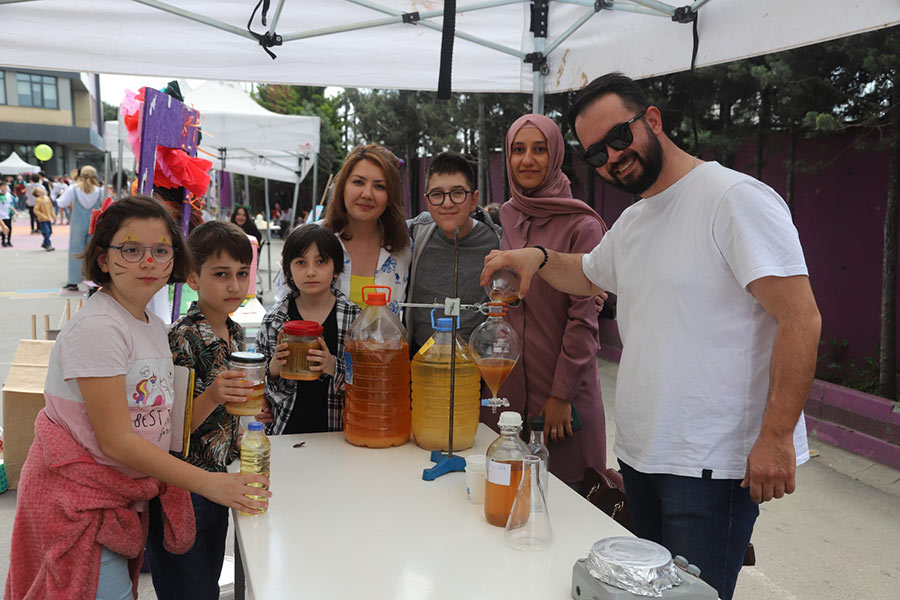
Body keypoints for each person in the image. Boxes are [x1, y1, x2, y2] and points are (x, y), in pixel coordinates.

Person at [481, 73, 822, 600]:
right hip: (642, 459)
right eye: (596, 154)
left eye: (619, 138)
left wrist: (776, 438)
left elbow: (801, 319)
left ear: (653, 120)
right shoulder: (636, 220)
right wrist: (539, 259)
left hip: (711, 469)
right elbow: (590, 273)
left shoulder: (733, 198)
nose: (612, 158)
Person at [6, 196, 269, 600]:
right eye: (131, 249)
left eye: (161, 250)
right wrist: (213, 485)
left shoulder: (149, 324)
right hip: (79, 504)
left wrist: (217, 398)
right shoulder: (100, 327)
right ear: (104, 259)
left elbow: (165, 425)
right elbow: (117, 440)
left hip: (120, 499)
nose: (148, 261)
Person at [488, 114, 608, 493]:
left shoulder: (581, 224)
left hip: (562, 401)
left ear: (555, 155)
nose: (527, 160)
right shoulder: (507, 214)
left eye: (539, 150)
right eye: (518, 150)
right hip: (512, 394)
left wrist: (561, 396)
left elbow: (584, 319)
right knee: (508, 505)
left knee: (566, 507)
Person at [146, 220, 255, 600]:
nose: (234, 286)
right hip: (180, 488)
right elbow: (168, 431)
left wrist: (244, 429)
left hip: (219, 481)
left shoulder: (237, 332)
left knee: (206, 582)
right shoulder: (182, 337)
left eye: (242, 274)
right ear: (193, 277)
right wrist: (213, 396)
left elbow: (228, 414)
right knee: (186, 589)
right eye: (221, 274)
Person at [258, 224, 360, 433]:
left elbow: (368, 382)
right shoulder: (274, 321)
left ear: (336, 269)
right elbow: (259, 389)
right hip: (285, 431)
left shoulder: (355, 319)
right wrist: (275, 367)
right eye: (301, 262)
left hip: (341, 433)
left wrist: (332, 365)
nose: (311, 272)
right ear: (289, 270)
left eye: (321, 261)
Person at [405, 151, 501, 354]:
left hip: (476, 371)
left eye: (457, 193)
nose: (447, 203)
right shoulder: (415, 233)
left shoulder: (498, 242)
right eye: (437, 194)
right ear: (427, 201)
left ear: (474, 199)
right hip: (421, 366)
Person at [322, 143, 411, 314]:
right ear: (343, 187)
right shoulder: (311, 240)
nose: (367, 194)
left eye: (379, 186)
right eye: (358, 182)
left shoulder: (404, 248)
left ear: (390, 196)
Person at [58, 165, 104, 292]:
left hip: (77, 223)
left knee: (75, 251)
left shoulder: (73, 189)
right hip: (94, 224)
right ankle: (93, 280)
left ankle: (73, 281)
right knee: (93, 253)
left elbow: (61, 203)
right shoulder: (100, 190)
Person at [31, 186, 56, 252]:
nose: (42, 190)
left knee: (50, 231)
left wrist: (54, 216)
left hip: (48, 218)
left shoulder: (47, 198)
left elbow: (51, 208)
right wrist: (42, 216)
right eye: (39, 190)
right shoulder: (38, 200)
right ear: (37, 193)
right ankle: (48, 244)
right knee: (46, 231)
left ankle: (45, 243)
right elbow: (35, 210)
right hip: (42, 219)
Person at [0, 180, 14, 247]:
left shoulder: (8, 195)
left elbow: (9, 204)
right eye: (3, 186)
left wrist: (14, 211)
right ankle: (3, 241)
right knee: (3, 227)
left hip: (7, 214)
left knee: (9, 227)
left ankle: (8, 241)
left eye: (6, 186)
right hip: (1, 214)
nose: (5, 187)